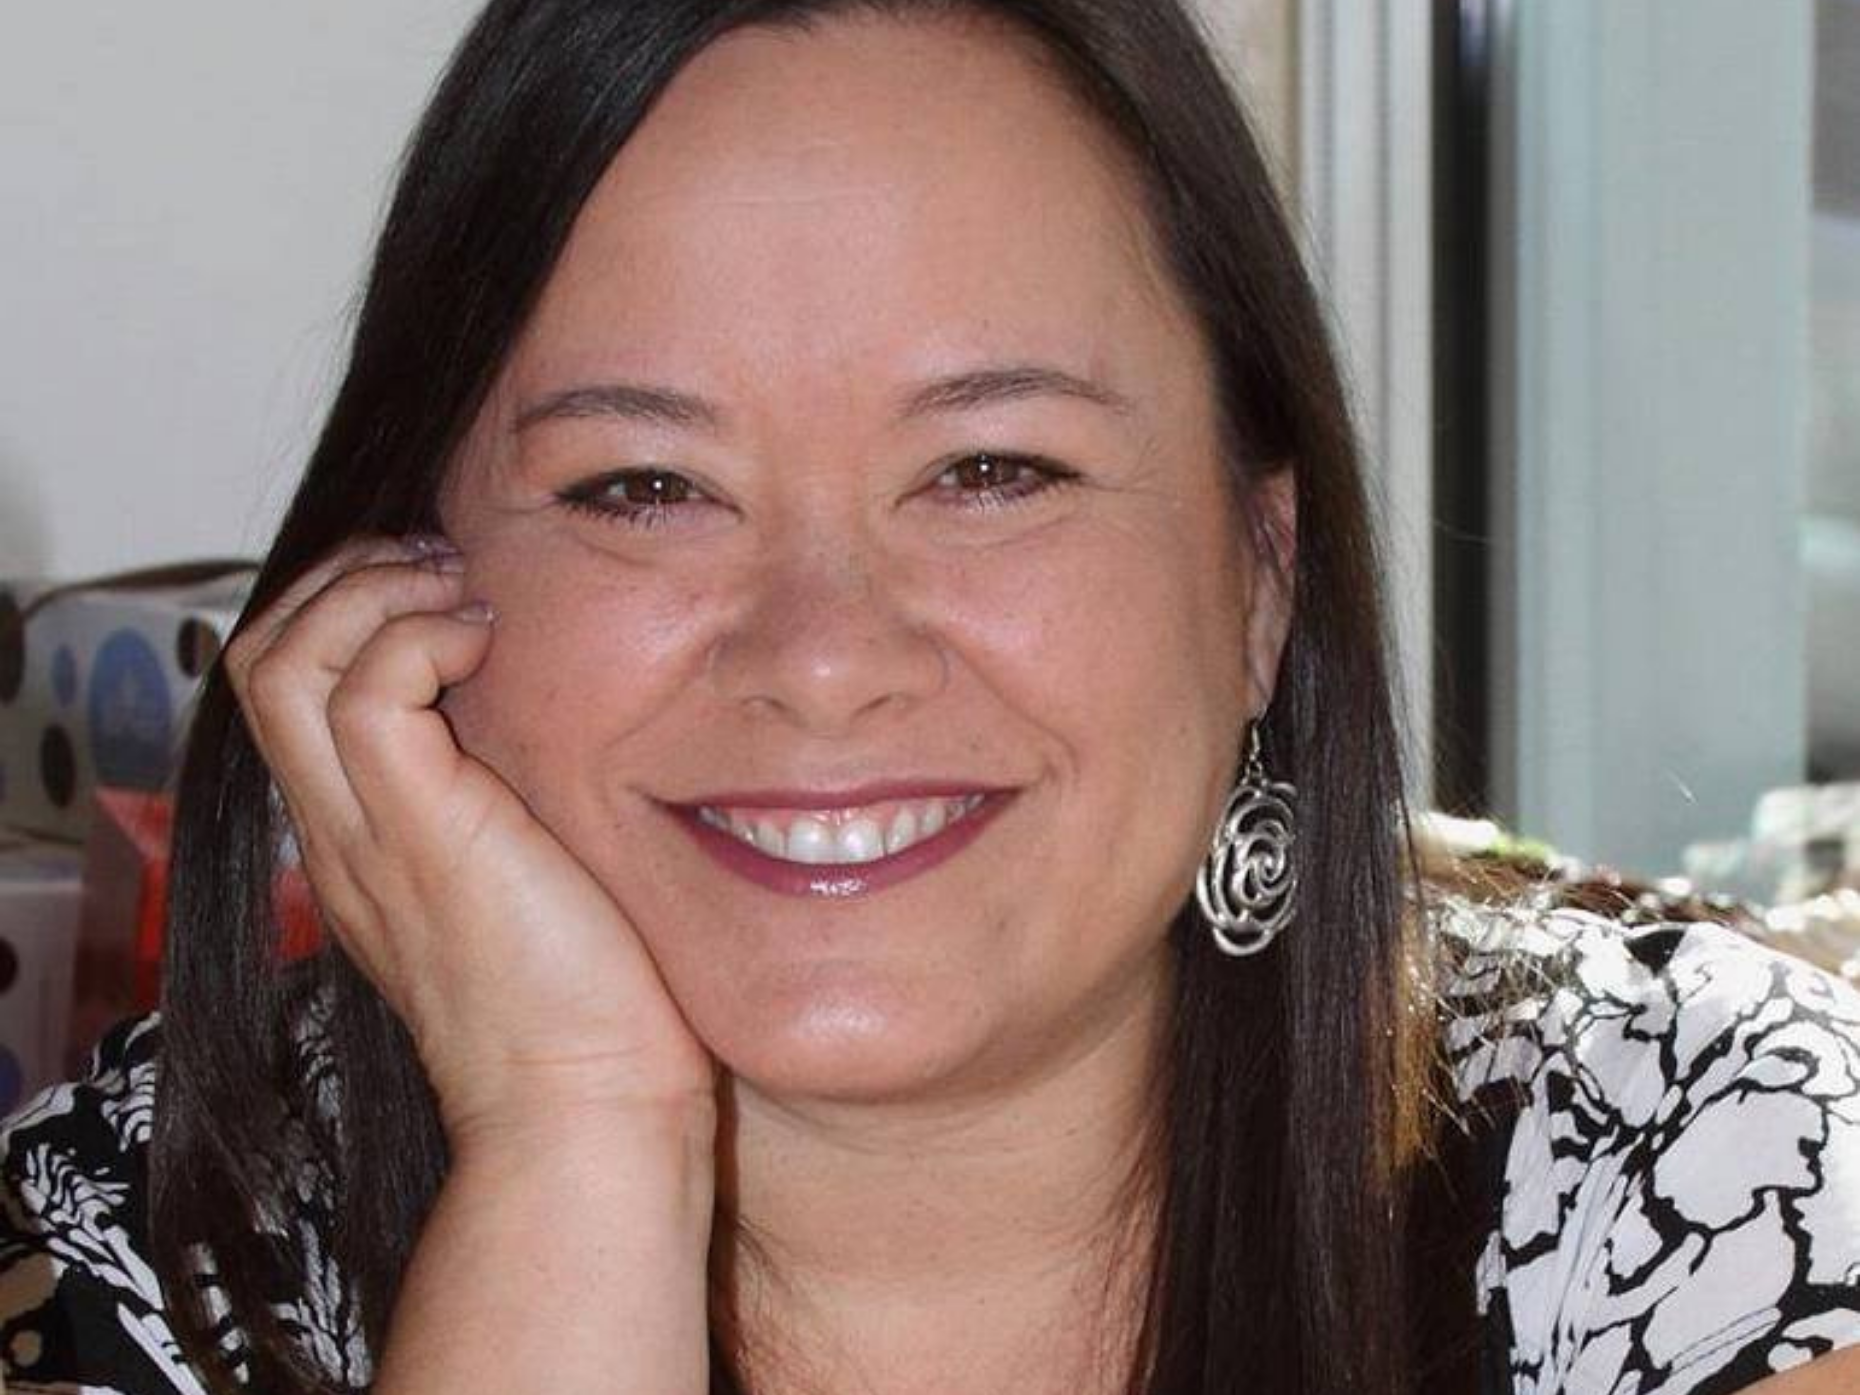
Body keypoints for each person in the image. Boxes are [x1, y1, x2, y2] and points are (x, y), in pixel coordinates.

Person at [3, 2, 1858, 1392]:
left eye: (992, 471)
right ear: (410, 586)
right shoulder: (149, 1244)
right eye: (642, 488)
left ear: (1259, 583)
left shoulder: (1713, 1176)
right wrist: (571, 1140)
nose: (822, 653)